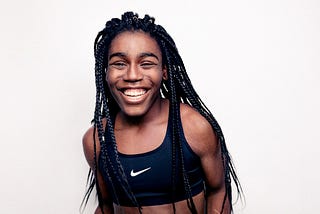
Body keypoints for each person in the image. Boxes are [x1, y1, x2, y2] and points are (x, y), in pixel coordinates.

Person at [81, 11, 242, 214]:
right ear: (105, 72)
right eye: (119, 63)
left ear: (164, 71)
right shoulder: (96, 140)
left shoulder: (194, 127)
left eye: (146, 63)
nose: (132, 75)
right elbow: (105, 206)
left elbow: (218, 190)